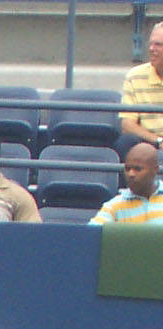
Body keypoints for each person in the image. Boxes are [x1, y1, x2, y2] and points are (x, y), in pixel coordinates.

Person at [90, 141, 163, 224]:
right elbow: (92, 234)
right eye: (127, 169)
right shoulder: (114, 206)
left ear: (155, 170)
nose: (131, 174)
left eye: (138, 169)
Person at [118, 21, 163, 155]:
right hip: (147, 143)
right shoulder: (135, 76)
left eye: (158, 45)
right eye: (151, 44)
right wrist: (158, 141)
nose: (151, 49)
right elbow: (127, 124)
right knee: (126, 141)